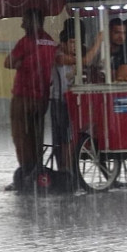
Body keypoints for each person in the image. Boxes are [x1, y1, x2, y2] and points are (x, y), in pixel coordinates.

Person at [3, 9, 57, 189]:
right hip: (42, 98)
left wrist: (20, 63)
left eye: (24, 21)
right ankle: (36, 172)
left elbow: (8, 62)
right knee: (36, 136)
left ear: (33, 22)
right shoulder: (50, 41)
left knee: (20, 137)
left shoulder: (25, 42)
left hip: (23, 97)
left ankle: (26, 173)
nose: (21, 25)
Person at [49, 26, 78, 173]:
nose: (75, 46)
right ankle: (65, 171)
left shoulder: (73, 56)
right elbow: (84, 61)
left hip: (70, 101)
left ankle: (67, 170)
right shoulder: (58, 55)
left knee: (68, 138)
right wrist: (98, 42)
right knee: (64, 139)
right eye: (72, 42)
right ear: (63, 43)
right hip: (59, 102)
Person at [84, 17, 127, 82]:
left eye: (124, 33)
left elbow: (119, 78)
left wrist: (98, 72)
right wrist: (98, 41)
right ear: (108, 32)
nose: (121, 37)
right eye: (117, 33)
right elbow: (85, 63)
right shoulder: (100, 49)